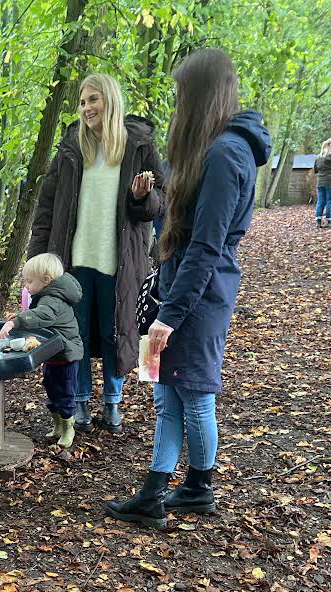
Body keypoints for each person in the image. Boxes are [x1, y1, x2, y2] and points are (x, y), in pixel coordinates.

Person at [106, 49, 271, 529]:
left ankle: (197, 487)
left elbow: (207, 246)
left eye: (182, 97)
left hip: (196, 299)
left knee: (194, 394)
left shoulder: (227, 154)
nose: (177, 107)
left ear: (201, 97)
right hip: (177, 289)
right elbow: (180, 226)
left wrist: (168, 317)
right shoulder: (207, 150)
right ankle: (158, 492)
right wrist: (148, 203)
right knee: (166, 393)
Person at [27, 73, 165, 433]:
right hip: (72, 261)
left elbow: (159, 204)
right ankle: (81, 402)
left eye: (93, 100)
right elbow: (46, 207)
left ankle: (112, 403)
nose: (86, 108)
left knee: (115, 331)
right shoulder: (72, 148)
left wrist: (141, 198)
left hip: (121, 262)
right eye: (83, 102)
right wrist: (35, 258)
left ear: (111, 101)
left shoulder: (139, 147)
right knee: (77, 335)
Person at [1, 253, 83, 449]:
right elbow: (39, 316)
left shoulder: (53, 299)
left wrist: (16, 321)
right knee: (50, 387)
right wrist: (20, 316)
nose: (26, 286)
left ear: (46, 280)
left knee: (64, 391)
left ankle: (68, 427)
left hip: (65, 355)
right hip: (53, 354)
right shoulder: (49, 295)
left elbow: (43, 315)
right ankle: (57, 425)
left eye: (29, 281)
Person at [314, 139, 331, 228]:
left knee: (320, 201)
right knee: (329, 201)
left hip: (320, 181)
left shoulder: (318, 157)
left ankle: (318, 220)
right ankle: (329, 221)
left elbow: (315, 170)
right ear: (329, 145)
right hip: (329, 181)